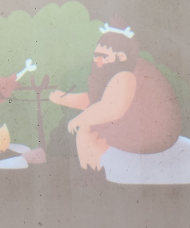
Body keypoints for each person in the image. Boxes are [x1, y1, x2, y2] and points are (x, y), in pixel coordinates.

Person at [49, 21, 181, 176]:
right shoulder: (113, 74)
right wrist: (63, 99)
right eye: (96, 56)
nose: (98, 61)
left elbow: (110, 108)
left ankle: (92, 174)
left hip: (149, 133)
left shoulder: (125, 75)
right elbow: (96, 101)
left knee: (87, 131)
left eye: (103, 56)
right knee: (90, 127)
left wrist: (79, 120)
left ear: (121, 57)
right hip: (133, 126)